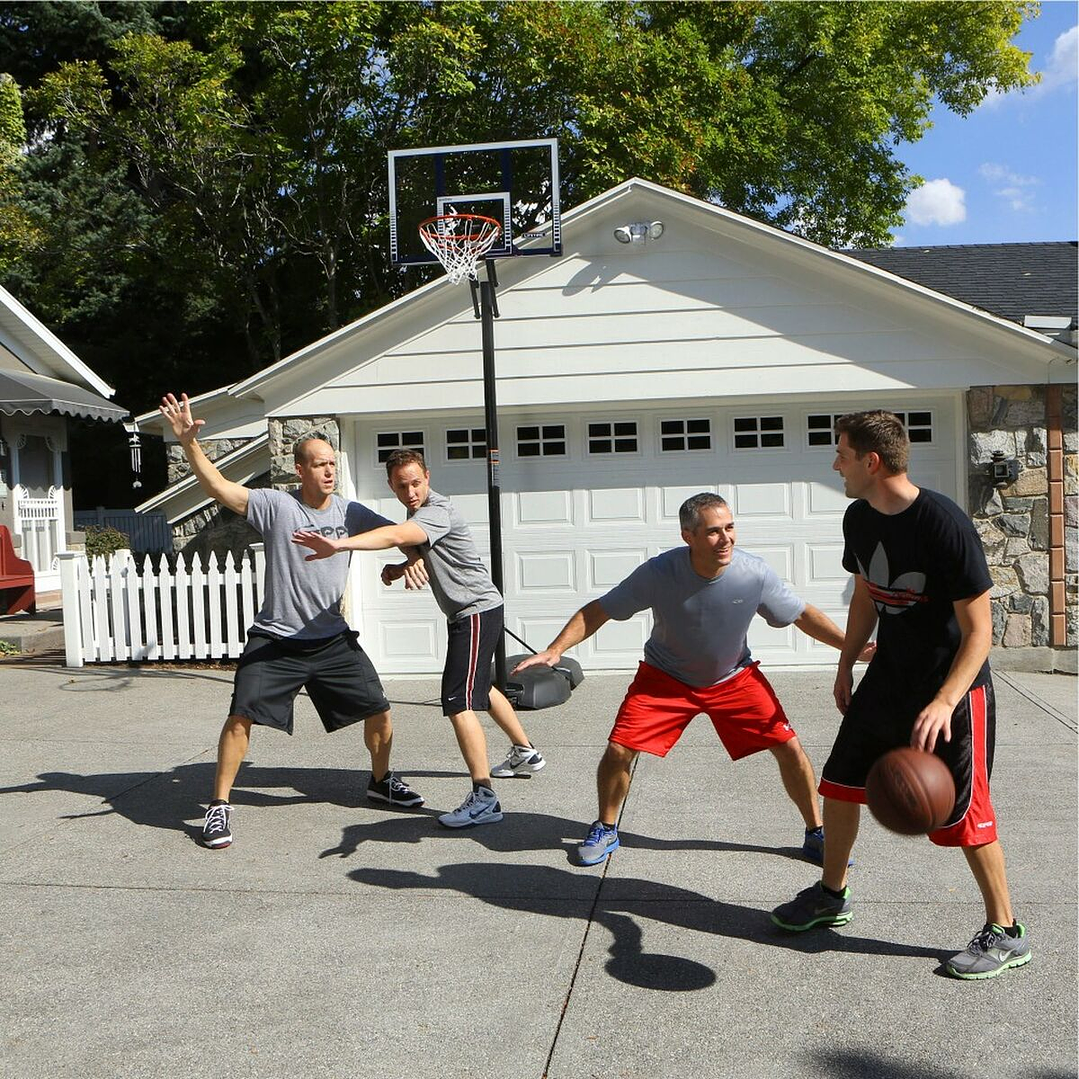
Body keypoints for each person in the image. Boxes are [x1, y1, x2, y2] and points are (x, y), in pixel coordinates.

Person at [770, 410, 1031, 981]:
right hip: (888, 678)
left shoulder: (943, 523)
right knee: (840, 784)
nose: (834, 464)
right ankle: (831, 894)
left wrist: (944, 701)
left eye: (841, 455)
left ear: (871, 462)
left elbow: (980, 632)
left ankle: (1006, 931)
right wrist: (846, 661)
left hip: (952, 687)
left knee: (966, 812)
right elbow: (867, 593)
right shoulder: (858, 518)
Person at [513, 492, 873, 867]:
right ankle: (606, 827)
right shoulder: (659, 573)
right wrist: (556, 649)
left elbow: (801, 614)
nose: (726, 538)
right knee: (620, 749)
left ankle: (816, 833)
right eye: (714, 531)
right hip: (665, 679)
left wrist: (851, 647)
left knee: (789, 747)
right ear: (689, 536)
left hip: (734, 677)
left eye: (730, 527)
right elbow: (599, 610)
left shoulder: (753, 573)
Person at [158, 393, 425, 850]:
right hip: (276, 640)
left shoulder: (349, 512)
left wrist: (409, 559)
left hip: (331, 640)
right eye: (319, 464)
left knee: (380, 710)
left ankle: (380, 782)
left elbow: (401, 534)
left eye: (332, 464)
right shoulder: (276, 506)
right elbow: (219, 488)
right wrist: (189, 443)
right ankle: (219, 805)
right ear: (300, 470)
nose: (328, 471)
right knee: (240, 716)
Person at [292, 448, 544, 828]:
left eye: (415, 483)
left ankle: (484, 798)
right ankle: (525, 752)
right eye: (401, 486)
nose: (410, 492)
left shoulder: (437, 511)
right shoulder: (421, 512)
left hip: (475, 612)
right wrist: (401, 567)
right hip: (476, 611)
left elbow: (398, 534)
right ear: (391, 486)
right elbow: (428, 551)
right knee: (480, 687)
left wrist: (339, 544)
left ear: (427, 476)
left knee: (457, 701)